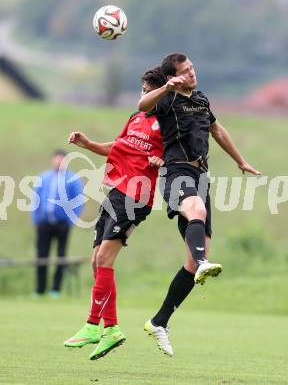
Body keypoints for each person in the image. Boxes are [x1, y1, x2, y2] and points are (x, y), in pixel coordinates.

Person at [138, 53, 261, 356]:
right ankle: (203, 263)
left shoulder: (202, 99)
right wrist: (167, 88)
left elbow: (217, 131)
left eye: (192, 68)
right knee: (197, 212)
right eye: (185, 71)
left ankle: (159, 321)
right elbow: (142, 106)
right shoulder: (166, 100)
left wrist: (241, 161)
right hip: (176, 170)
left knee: (193, 263)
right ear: (173, 76)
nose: (192, 73)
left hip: (199, 174)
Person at [63, 67, 166, 360]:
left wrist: (164, 159)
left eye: (149, 91)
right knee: (96, 260)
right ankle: (111, 329)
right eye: (142, 90)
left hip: (136, 196)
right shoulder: (136, 118)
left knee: (105, 258)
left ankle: (93, 325)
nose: (143, 95)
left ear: (161, 93)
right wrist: (88, 144)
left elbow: (179, 152)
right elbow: (117, 147)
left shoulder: (167, 123)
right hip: (116, 192)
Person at [32, 149, 84, 297]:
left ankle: (56, 289)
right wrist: (36, 220)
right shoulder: (44, 177)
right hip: (44, 223)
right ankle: (39, 289)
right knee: (42, 255)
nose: (59, 162)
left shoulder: (72, 179)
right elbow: (35, 200)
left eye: (62, 159)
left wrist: (70, 220)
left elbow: (78, 201)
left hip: (62, 223)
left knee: (61, 255)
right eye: (56, 159)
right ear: (52, 160)